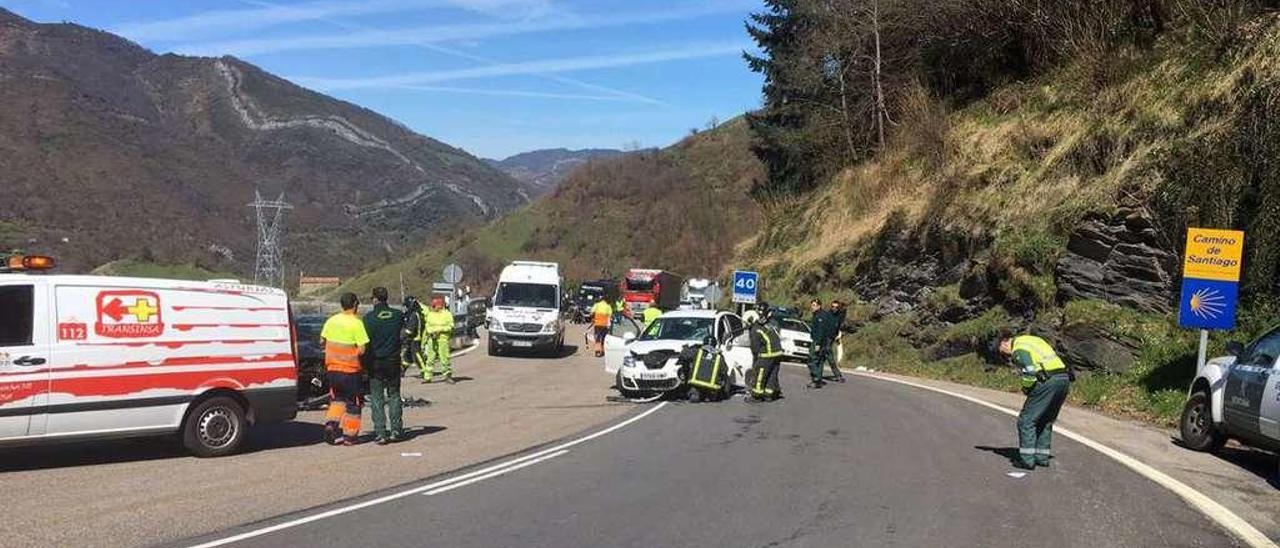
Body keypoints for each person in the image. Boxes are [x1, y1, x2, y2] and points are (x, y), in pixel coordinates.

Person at [997, 333, 1073, 470]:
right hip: (1063, 379)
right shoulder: (1032, 340)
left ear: (1004, 343)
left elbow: (1030, 371)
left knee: (1026, 420)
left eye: (1002, 351)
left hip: (1047, 381)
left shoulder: (1019, 349)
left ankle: (1027, 460)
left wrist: (1026, 387)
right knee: (1045, 419)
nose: (1005, 355)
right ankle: (1041, 457)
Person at [320, 292, 370, 446]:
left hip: (332, 369)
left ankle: (330, 425)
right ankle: (350, 436)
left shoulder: (331, 321)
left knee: (337, 400)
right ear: (355, 304)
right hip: (350, 371)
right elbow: (362, 349)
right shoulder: (356, 323)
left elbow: (322, 341)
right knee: (353, 405)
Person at [363, 287, 405, 445]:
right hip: (393, 361)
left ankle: (381, 432)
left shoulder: (368, 318)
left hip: (375, 362)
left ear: (374, 299)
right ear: (386, 298)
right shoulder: (397, 315)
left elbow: (365, 344)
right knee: (394, 394)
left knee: (377, 397)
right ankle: (396, 430)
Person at [745, 304, 785, 402]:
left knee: (760, 374)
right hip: (778, 353)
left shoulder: (756, 329)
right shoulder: (773, 323)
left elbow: (755, 347)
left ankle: (756, 396)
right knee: (772, 374)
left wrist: (757, 359)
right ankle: (768, 395)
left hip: (766, 355)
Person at [423, 296, 456, 384]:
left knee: (444, 358)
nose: (432, 307)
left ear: (439, 305)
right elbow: (427, 327)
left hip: (443, 339)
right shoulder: (430, 314)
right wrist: (432, 332)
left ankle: (447, 375)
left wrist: (439, 330)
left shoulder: (447, 314)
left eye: (434, 305)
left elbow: (450, 326)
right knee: (430, 358)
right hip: (432, 339)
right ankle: (427, 377)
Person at [807, 299, 834, 388]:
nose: (812, 307)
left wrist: (818, 344)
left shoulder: (820, 316)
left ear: (819, 306)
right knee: (819, 361)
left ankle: (816, 378)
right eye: (812, 305)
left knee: (812, 360)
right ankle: (817, 381)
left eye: (814, 305)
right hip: (822, 341)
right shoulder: (817, 315)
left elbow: (821, 331)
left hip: (819, 341)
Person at [401, 296, 425, 375]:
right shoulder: (411, 313)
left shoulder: (414, 314)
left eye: (406, 305)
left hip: (415, 338)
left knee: (417, 354)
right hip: (411, 338)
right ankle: (402, 369)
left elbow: (411, 329)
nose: (405, 308)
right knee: (407, 354)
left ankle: (424, 370)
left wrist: (402, 336)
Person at [826, 300, 847, 382]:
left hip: (831, 338)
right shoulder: (827, 315)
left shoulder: (839, 316)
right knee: (820, 356)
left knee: (828, 355)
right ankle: (817, 375)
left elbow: (841, 321)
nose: (834, 308)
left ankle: (838, 375)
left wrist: (838, 335)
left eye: (836, 307)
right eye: (833, 307)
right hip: (825, 338)